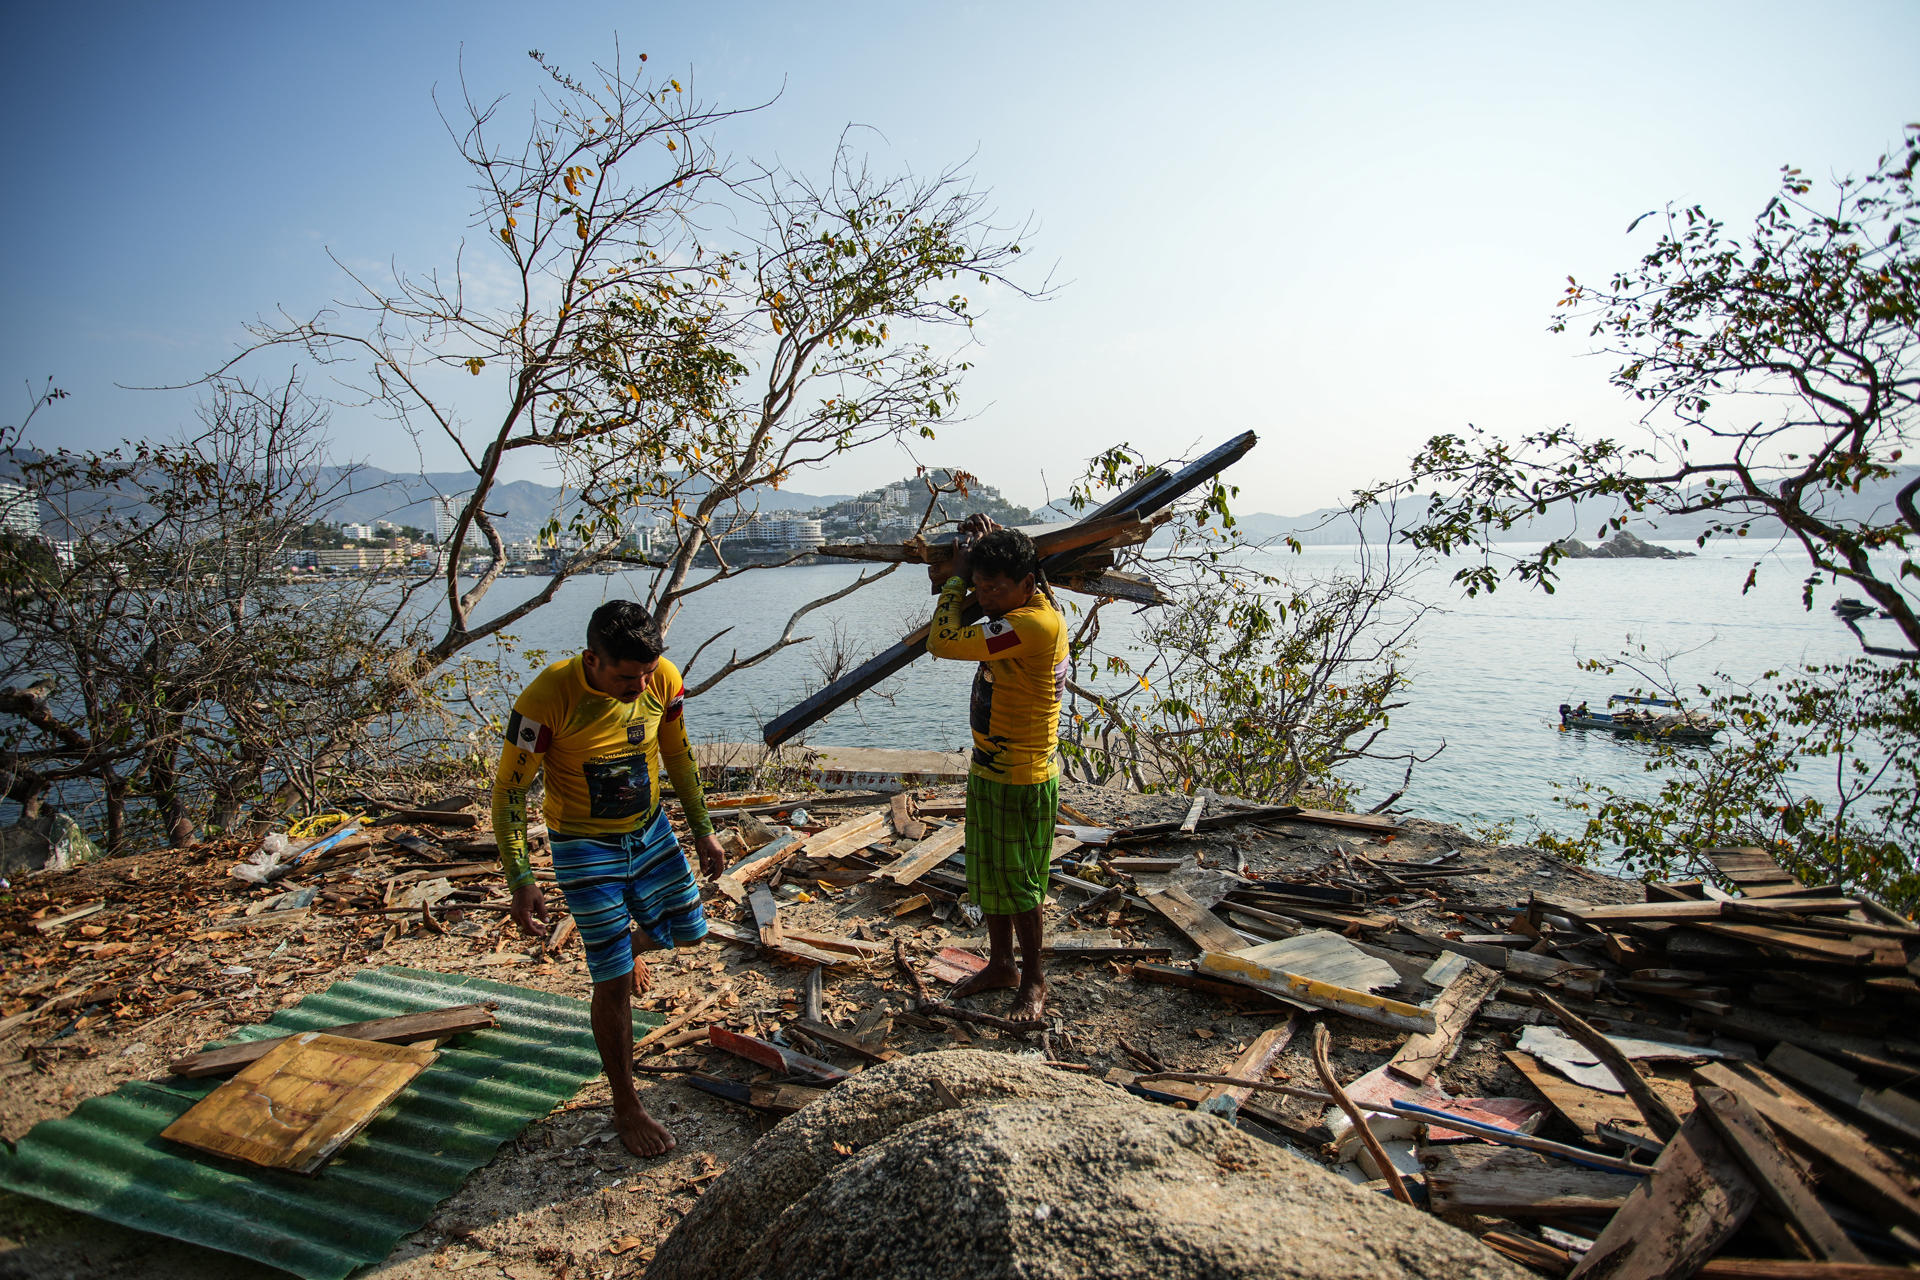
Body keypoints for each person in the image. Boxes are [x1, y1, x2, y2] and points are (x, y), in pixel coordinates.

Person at [492, 600, 726, 1157]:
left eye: (647, 673)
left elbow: (678, 755)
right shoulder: (545, 700)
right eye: (626, 677)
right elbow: (509, 792)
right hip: (583, 845)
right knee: (614, 981)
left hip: (649, 829)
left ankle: (624, 946)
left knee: (690, 931)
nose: (640, 686)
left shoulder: (661, 679)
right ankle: (626, 1105)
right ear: (592, 659)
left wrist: (703, 829)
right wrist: (521, 877)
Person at [925, 515, 1069, 1023]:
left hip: (1022, 776)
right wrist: (989, 542)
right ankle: (1002, 965)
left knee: (1021, 882)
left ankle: (1034, 980)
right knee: (989, 874)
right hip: (990, 769)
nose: (984, 599)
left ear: (1026, 585)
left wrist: (957, 580)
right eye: (980, 588)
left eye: (995, 589)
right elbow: (1024, 567)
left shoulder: (1033, 625)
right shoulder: (1025, 605)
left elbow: (943, 641)